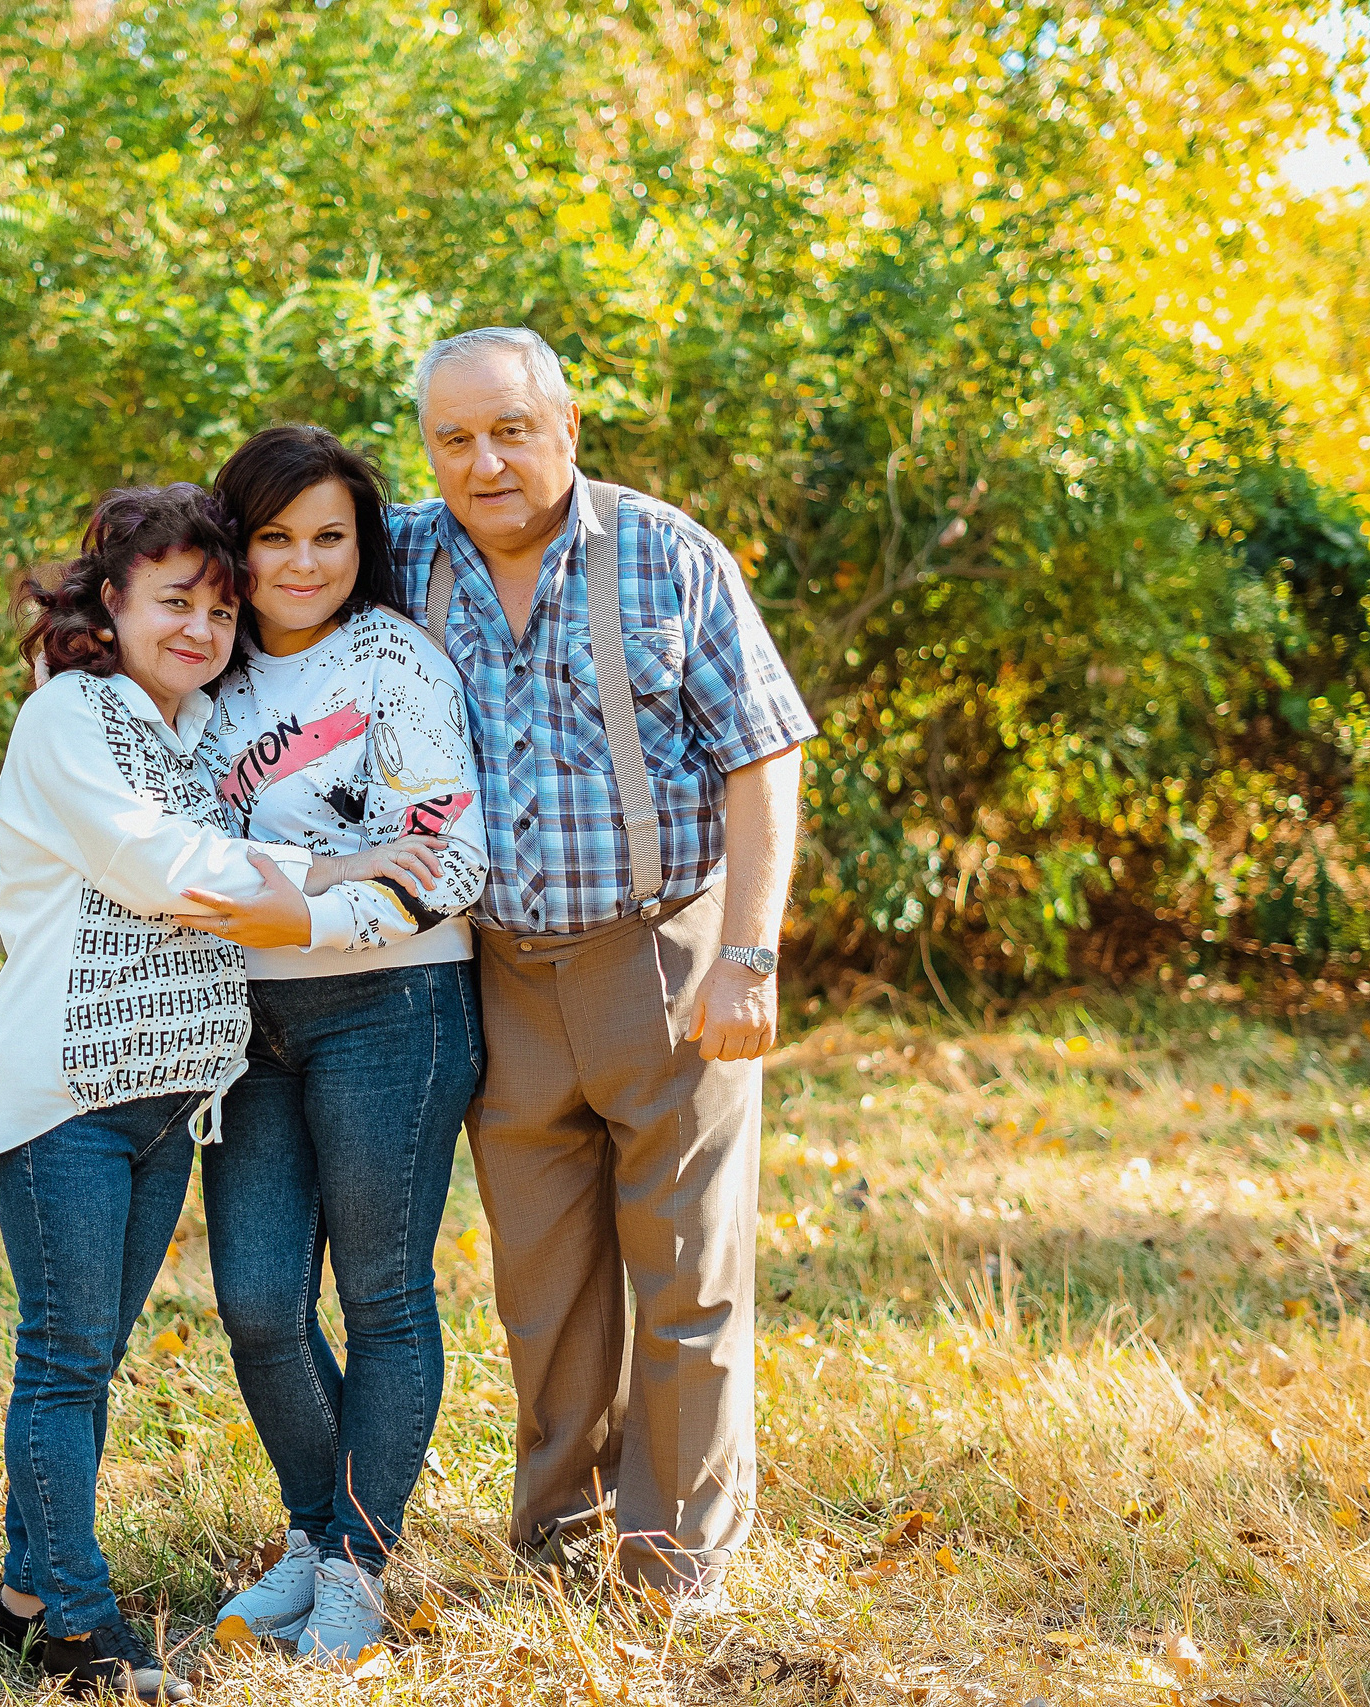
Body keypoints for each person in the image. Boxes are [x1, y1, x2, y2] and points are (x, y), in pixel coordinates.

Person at [387, 328, 814, 1616]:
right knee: (543, 1285)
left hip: (661, 955)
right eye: (455, 440)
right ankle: (559, 1541)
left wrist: (747, 957)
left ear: (566, 425)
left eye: (510, 430)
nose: (485, 463)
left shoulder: (664, 554)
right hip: (498, 974)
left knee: (687, 1272)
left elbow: (763, 754)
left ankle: (674, 1562)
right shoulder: (399, 560)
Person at [0, 483, 329, 1701]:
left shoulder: (191, 736)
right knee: (66, 1359)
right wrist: (338, 873)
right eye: (175, 601)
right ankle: (80, 1628)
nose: (200, 629)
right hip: (65, 1093)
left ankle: (25, 1595)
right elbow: (159, 869)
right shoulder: (68, 717)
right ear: (111, 601)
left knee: (89, 1358)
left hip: (168, 1098)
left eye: (220, 611)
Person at [173, 426, 487, 1668]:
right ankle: (313, 1535)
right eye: (274, 538)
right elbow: (173, 857)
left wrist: (297, 908)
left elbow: (449, 862)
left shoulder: (393, 661)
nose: (302, 563)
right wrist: (321, 878)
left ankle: (357, 1564)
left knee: (381, 1297)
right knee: (256, 1302)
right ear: (234, 546)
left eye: (329, 538)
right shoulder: (202, 675)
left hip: (393, 1006)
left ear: (363, 547)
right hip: (241, 1025)